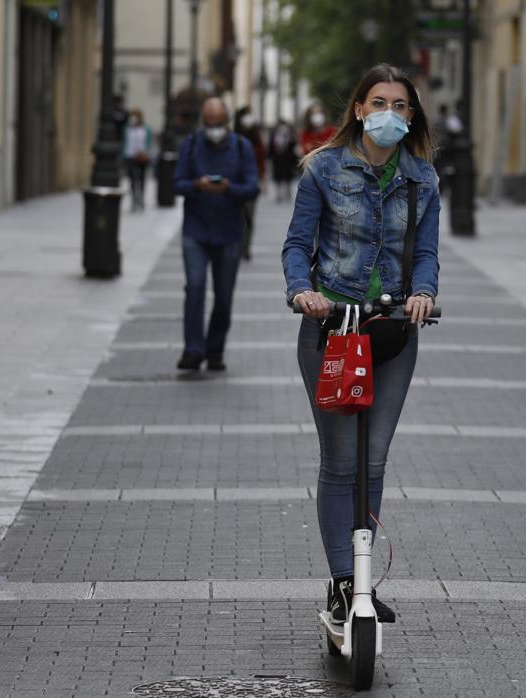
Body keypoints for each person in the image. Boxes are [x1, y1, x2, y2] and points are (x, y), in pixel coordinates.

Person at [281, 64, 439, 624]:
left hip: (392, 330)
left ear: (411, 115)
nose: (389, 115)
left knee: (373, 463)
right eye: (379, 102)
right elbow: (298, 245)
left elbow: (426, 253)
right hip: (332, 327)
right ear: (358, 108)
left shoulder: (423, 179)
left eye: (400, 106)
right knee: (342, 461)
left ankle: (362, 582)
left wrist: (423, 292)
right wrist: (303, 290)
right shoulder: (322, 170)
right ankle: (346, 583)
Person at [173, 97, 260, 372]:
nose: (214, 129)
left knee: (223, 296)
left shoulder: (241, 147)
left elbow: (253, 187)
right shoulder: (191, 145)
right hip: (196, 230)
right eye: (209, 124)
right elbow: (177, 183)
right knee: (195, 288)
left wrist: (229, 188)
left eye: (219, 124)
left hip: (229, 231)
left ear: (227, 122)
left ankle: (215, 350)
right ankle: (192, 350)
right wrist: (196, 185)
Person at [234, 108, 267, 260]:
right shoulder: (234, 137)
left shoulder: (256, 136)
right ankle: (237, 245)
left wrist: (263, 179)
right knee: (238, 216)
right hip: (236, 182)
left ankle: (246, 248)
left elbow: (262, 159)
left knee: (249, 217)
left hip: (253, 181)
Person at [122, 109, 153, 212]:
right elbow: (124, 143)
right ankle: (134, 200)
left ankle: (141, 199)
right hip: (130, 156)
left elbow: (148, 143)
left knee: (142, 179)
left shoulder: (146, 129)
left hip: (142, 157)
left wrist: (147, 153)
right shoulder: (127, 129)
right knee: (132, 179)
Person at [268, 122, 300, 203]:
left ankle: (288, 193)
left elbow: (294, 148)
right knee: (278, 177)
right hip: (277, 159)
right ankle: (279, 194)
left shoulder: (290, 135)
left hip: (288, 160)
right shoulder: (274, 135)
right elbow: (270, 148)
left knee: (288, 177)